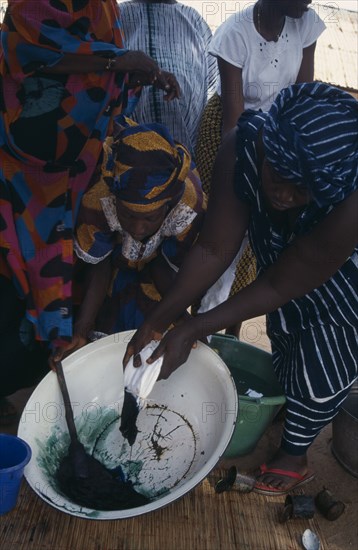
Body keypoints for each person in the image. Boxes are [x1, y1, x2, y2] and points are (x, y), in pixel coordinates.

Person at [124, 82, 358, 495]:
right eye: (277, 176)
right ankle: (293, 404)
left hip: (345, 278)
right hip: (287, 263)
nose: (283, 195)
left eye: (301, 189)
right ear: (266, 145)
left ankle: (295, 455)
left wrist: (194, 328)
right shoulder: (244, 145)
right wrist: (162, 317)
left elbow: (288, 278)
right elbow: (215, 246)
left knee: (325, 351)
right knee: (285, 330)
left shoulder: (348, 198)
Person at [0, 0, 179, 423]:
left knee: (73, 271)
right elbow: (33, 52)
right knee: (13, 280)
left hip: (79, 171)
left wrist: (135, 75)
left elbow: (95, 77)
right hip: (28, 181)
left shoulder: (102, 6)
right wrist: (117, 59)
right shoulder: (31, 5)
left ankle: (44, 378)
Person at [194, 0, 326, 335]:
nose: (311, 0)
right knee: (221, 235)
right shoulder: (234, 35)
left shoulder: (306, 24)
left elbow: (301, 100)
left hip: (279, 141)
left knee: (256, 238)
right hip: (231, 137)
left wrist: (285, 161)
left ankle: (232, 333)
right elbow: (234, 127)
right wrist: (259, 168)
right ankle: (199, 324)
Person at [52, 117, 206, 360]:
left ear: (166, 207)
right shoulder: (98, 198)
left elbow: (166, 266)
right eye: (127, 214)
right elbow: (99, 263)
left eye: (150, 218)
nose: (137, 228)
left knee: (153, 339)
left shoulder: (189, 205)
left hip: (162, 275)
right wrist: (83, 327)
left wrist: (181, 318)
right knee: (100, 338)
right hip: (111, 265)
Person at [119, 0, 218, 156]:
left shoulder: (194, 20)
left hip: (188, 155)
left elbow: (212, 90)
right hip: (125, 153)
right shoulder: (120, 16)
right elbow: (104, 80)